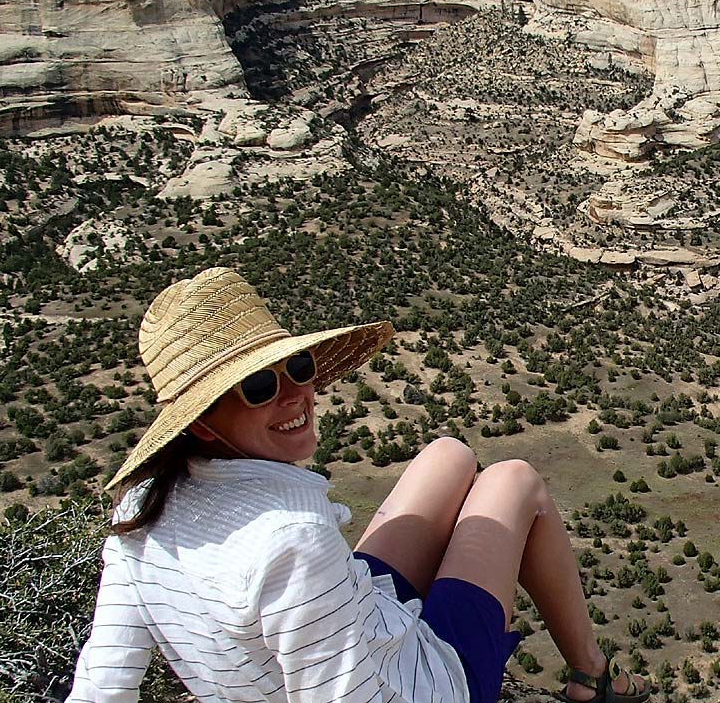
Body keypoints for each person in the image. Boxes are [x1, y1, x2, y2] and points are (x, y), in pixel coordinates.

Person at [68, 266, 650, 703]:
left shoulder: (141, 507)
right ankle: (592, 675)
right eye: (258, 388)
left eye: (297, 369)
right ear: (200, 421)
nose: (296, 395)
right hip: (424, 683)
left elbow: (104, 677)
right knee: (514, 481)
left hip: (358, 620)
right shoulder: (290, 538)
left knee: (448, 454)